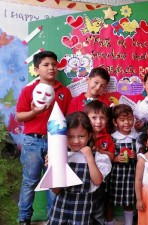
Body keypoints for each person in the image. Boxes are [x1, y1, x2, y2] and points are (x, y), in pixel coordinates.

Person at [16, 50, 73, 225]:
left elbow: (69, 119)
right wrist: (35, 111)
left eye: (54, 64)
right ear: (36, 69)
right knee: (29, 182)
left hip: (56, 142)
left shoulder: (64, 92)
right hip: (32, 141)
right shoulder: (29, 90)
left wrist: (65, 145)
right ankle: (24, 219)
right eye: (46, 65)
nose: (51, 68)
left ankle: (53, 218)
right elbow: (19, 116)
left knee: (55, 182)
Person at [47, 111, 112, 225]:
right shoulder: (61, 156)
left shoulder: (98, 157)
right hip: (61, 202)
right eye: (70, 137)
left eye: (81, 136)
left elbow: (97, 181)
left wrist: (89, 157)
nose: (76, 141)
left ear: (90, 135)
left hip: (83, 204)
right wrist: (51, 168)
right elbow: (56, 191)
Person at [106, 104, 140, 225]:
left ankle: (128, 223)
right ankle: (109, 222)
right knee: (110, 200)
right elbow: (107, 156)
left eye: (130, 119)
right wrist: (115, 158)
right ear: (115, 122)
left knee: (129, 201)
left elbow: (142, 155)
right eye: (122, 120)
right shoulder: (112, 138)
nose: (127, 122)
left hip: (131, 174)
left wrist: (136, 156)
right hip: (115, 175)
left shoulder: (136, 137)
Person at [84, 100, 115, 225]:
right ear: (86, 118)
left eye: (102, 118)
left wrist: (100, 150)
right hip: (84, 178)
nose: (98, 121)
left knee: (98, 208)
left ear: (107, 119)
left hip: (101, 181)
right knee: (85, 209)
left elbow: (112, 156)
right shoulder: (83, 135)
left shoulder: (107, 137)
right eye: (94, 117)